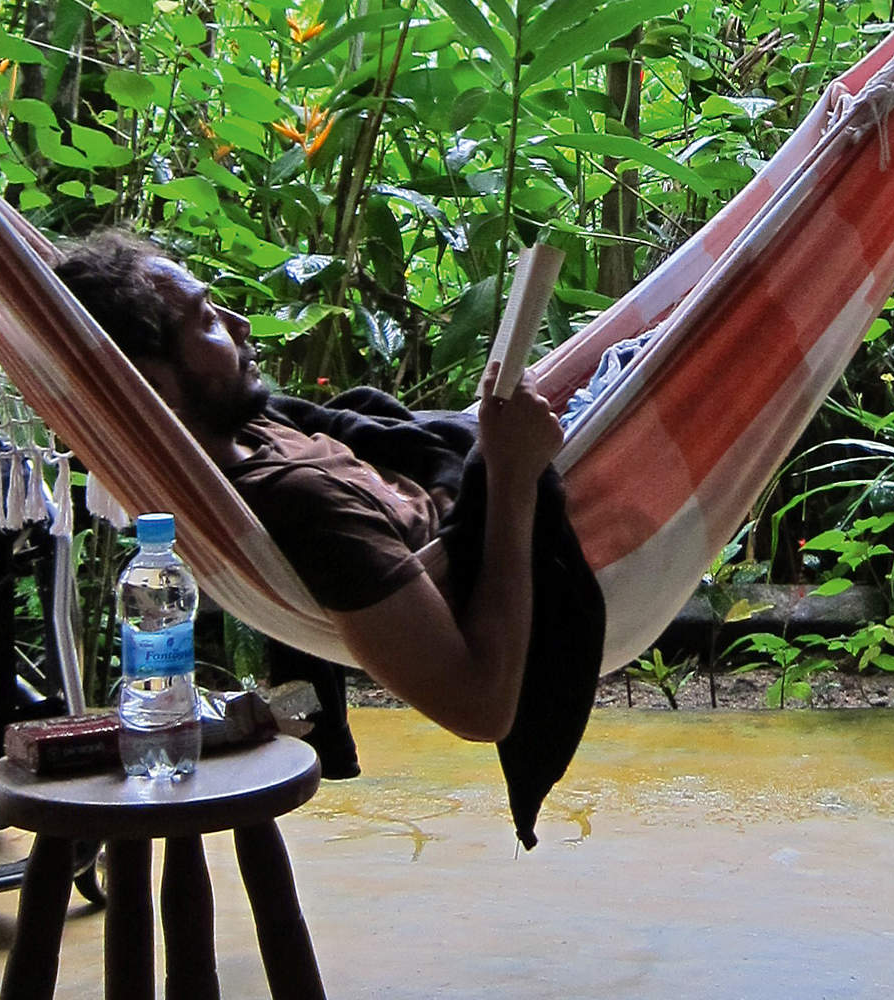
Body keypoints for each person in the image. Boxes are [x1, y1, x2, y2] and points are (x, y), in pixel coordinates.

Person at [55, 230, 604, 847]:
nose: (239, 323)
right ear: (150, 379)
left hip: (505, 458)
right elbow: (481, 708)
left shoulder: (249, 426)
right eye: (207, 319)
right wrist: (508, 477)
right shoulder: (308, 510)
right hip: (562, 507)